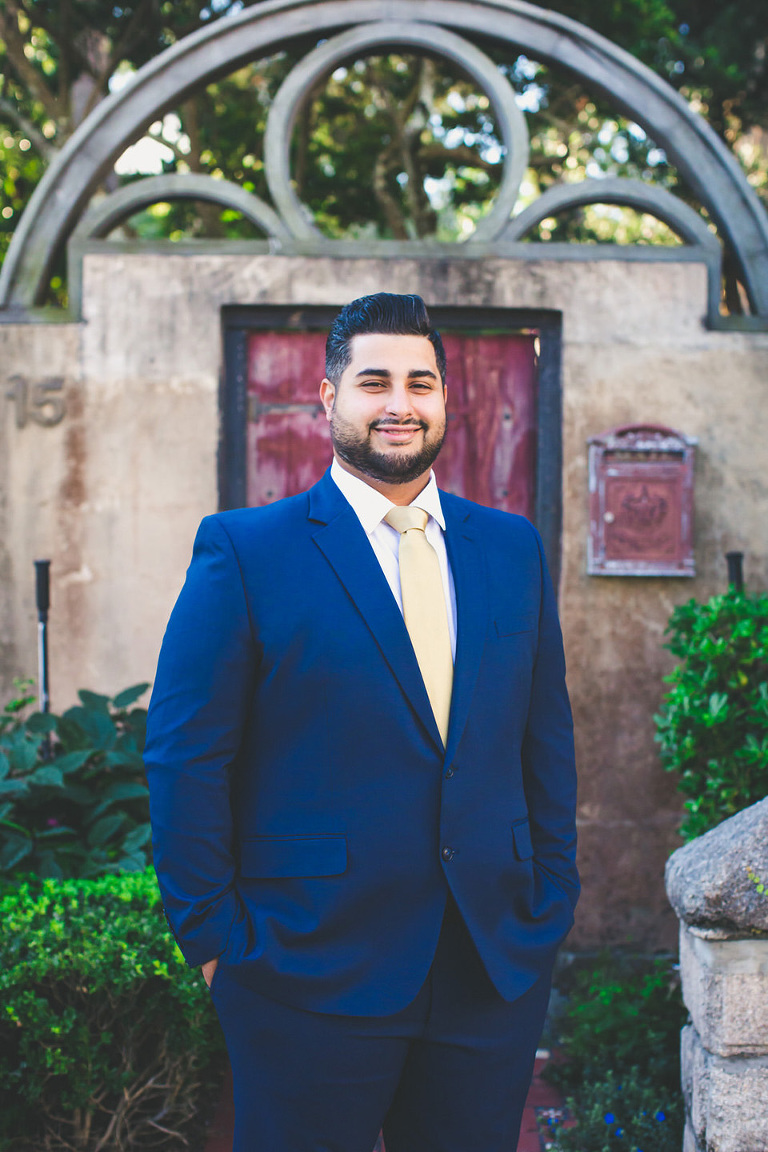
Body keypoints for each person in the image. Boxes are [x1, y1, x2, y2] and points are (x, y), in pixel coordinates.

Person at [144, 292, 579, 1152]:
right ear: (329, 397)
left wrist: (551, 898)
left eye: (421, 383)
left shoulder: (512, 549)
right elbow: (185, 757)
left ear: (445, 399)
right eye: (374, 382)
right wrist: (215, 943)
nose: (399, 404)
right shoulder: (245, 551)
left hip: (488, 968)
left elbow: (546, 740)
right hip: (303, 971)